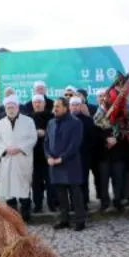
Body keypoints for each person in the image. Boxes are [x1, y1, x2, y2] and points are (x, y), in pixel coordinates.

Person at [0, 95, 38, 222]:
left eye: (12, 107)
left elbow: (32, 138)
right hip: (7, 159)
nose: (10, 110)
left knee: (23, 188)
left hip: (22, 158)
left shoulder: (28, 121)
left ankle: (25, 217)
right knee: (9, 189)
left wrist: (19, 148)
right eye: (8, 107)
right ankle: (11, 217)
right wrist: (5, 149)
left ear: (17, 107)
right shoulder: (0, 123)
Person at [45, 97, 87, 231]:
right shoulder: (51, 122)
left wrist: (61, 158)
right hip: (54, 164)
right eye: (54, 106)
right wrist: (48, 157)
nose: (54, 109)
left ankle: (80, 221)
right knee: (61, 195)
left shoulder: (76, 122)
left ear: (65, 107)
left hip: (70, 164)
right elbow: (46, 142)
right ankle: (64, 219)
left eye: (57, 106)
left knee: (75, 194)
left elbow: (74, 145)